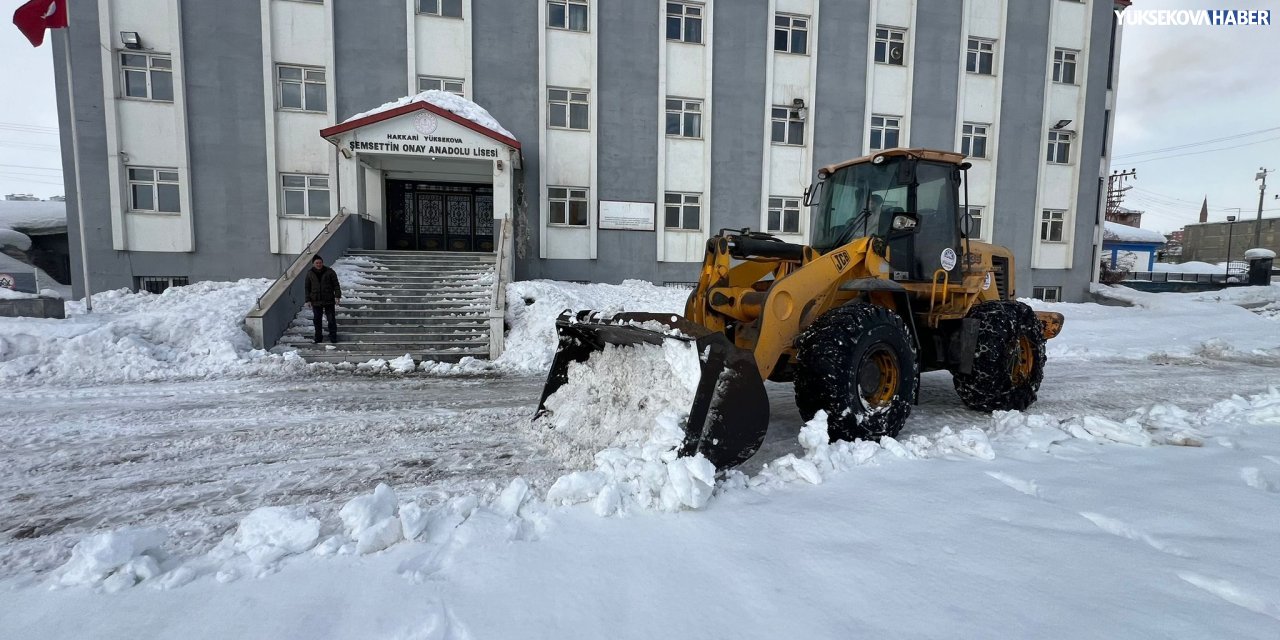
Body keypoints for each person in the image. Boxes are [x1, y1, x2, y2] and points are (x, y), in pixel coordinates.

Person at [305, 256, 341, 343]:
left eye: (320, 263)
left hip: (328, 299)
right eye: (317, 263)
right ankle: (318, 337)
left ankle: (333, 337)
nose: (319, 264)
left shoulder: (330, 272)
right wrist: (308, 300)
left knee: (331, 319)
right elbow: (307, 288)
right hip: (316, 300)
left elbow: (336, 285)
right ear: (313, 264)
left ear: (322, 263)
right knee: (317, 320)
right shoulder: (310, 273)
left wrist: (337, 296)